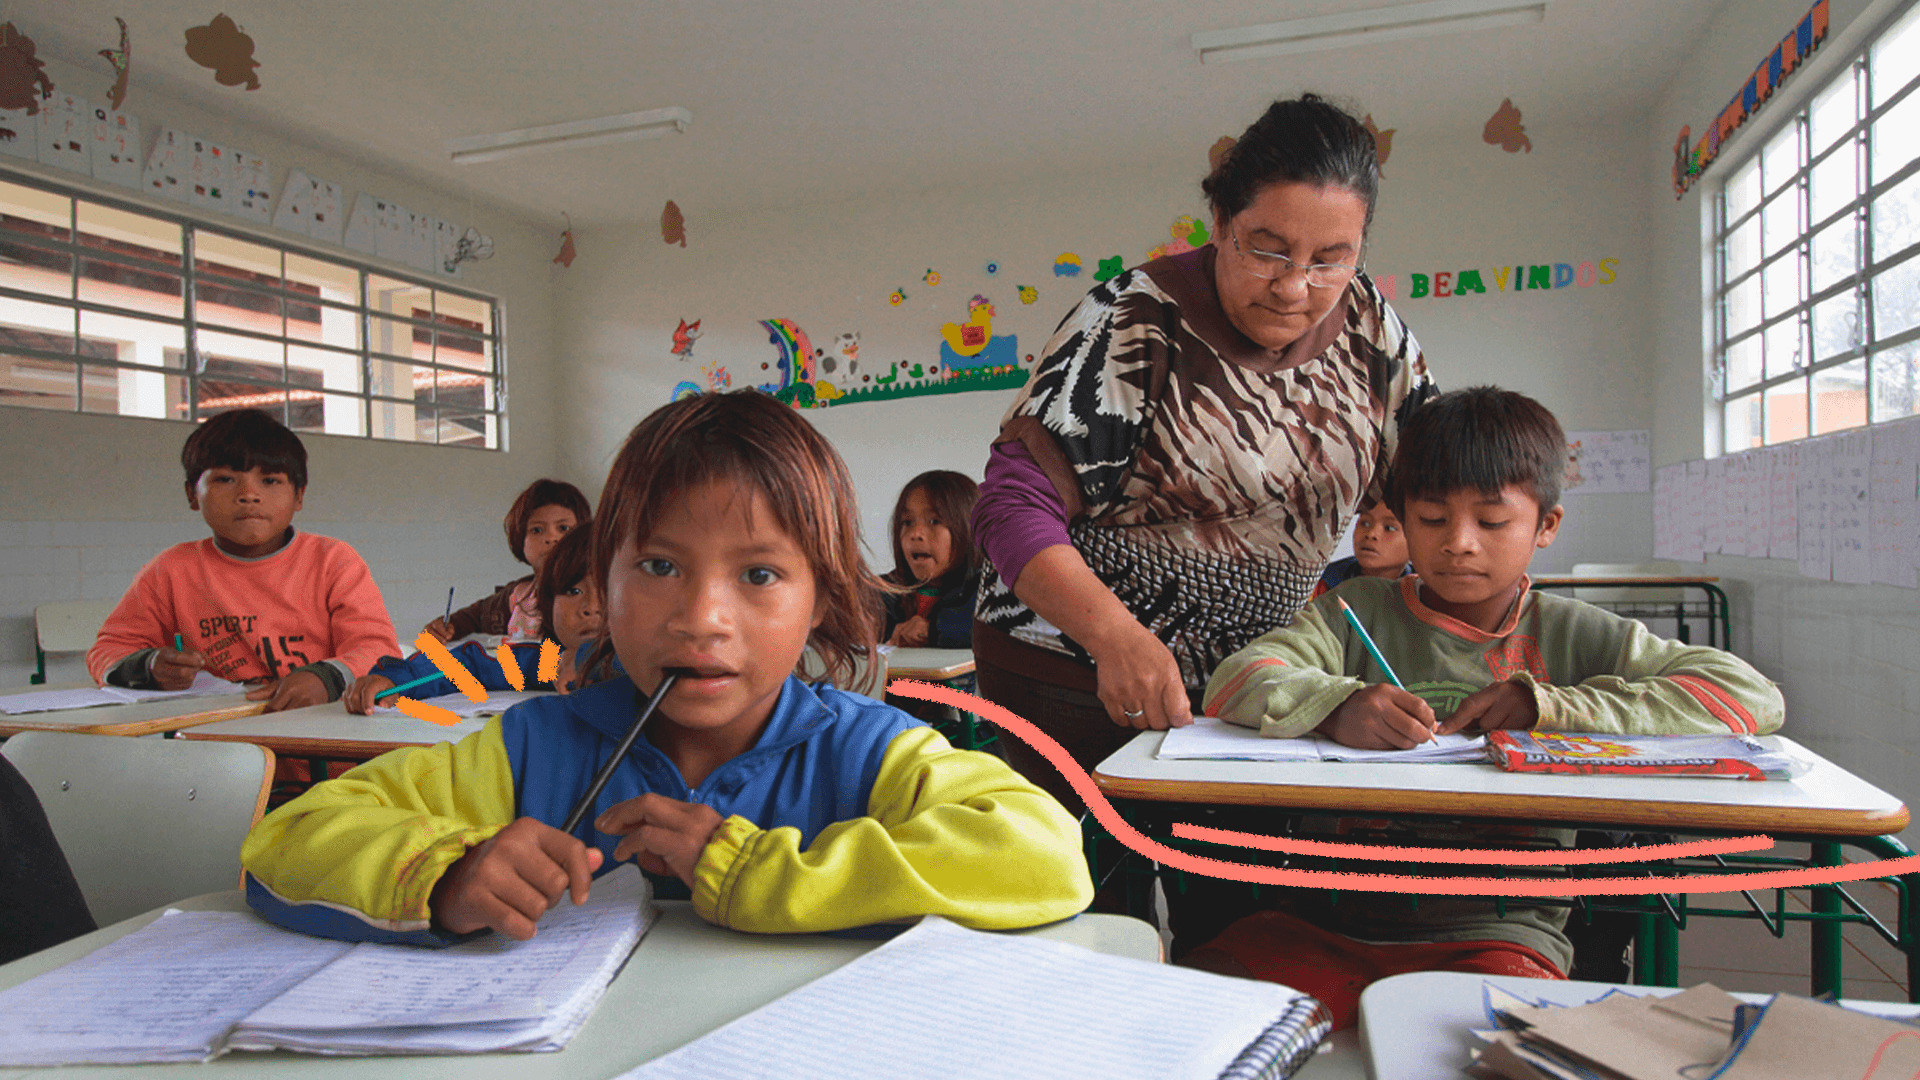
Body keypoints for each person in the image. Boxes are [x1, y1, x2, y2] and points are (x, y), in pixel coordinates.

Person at [239, 390, 1092, 945]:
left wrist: (765, 872)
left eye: (759, 575)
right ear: (597, 585)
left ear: (822, 603)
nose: (700, 619)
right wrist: (449, 873)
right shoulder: (533, 745)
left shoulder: (864, 751)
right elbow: (290, 837)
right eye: (657, 567)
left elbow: (1044, 851)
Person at [1192, 386, 1785, 1028]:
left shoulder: (1572, 632)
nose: (1460, 543)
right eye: (1431, 519)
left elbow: (1748, 695)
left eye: (1493, 522)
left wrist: (1547, 706)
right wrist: (1337, 705)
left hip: (1498, 934)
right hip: (1326, 918)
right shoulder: (1355, 613)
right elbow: (1235, 680)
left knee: (1479, 1045)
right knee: (1209, 1026)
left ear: (1546, 526)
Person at [970, 93, 1436, 819]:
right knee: (1096, 902)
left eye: (1329, 259)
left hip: (1256, 683)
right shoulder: (1137, 319)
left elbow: (1438, 485)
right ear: (1220, 223)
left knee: (1234, 898)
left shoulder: (1374, 331)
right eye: (1268, 248)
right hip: (1074, 669)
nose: (1293, 286)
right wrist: (1114, 635)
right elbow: (1007, 503)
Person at [86, 409, 400, 712]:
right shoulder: (171, 569)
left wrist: (325, 678)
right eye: (225, 479)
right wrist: (148, 667)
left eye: (270, 480)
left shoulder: (333, 561)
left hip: (324, 744)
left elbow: (378, 650)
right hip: (218, 746)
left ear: (299, 496)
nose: (248, 494)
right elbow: (108, 650)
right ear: (193, 494)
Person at [342, 528, 607, 713]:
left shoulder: (645, 669)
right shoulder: (548, 663)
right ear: (548, 604)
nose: (591, 608)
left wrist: (592, 658)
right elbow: (468, 667)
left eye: (609, 591)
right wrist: (396, 681)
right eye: (573, 591)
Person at [424, 478, 591, 644]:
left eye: (563, 528)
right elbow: (476, 615)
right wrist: (445, 627)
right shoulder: (519, 596)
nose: (550, 538)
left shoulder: (595, 592)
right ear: (520, 540)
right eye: (537, 530)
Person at [880, 470, 981, 649]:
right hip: (901, 678)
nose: (915, 534)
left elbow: (995, 634)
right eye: (907, 522)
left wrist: (932, 631)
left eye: (934, 521)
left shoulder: (986, 593)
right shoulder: (883, 591)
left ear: (967, 528)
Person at [1310, 497, 1411, 598]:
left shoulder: (1421, 593)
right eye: (1365, 523)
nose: (1371, 534)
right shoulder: (1321, 582)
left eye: (1389, 528)